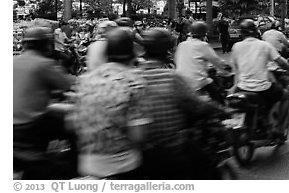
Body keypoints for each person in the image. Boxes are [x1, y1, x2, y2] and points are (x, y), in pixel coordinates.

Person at [137, 28, 225, 179]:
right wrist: (220, 109)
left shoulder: (133, 75)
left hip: (140, 152)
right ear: (167, 50)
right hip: (171, 147)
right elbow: (196, 104)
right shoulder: (171, 78)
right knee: (208, 167)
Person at [70, 28, 149, 179]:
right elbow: (138, 135)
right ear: (133, 54)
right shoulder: (134, 82)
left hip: (88, 164)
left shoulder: (86, 79)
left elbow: (73, 122)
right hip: (124, 164)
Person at [14, 26, 74, 156]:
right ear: (46, 44)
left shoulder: (13, 61)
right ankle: (73, 162)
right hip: (31, 123)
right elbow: (68, 85)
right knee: (75, 122)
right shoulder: (44, 64)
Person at [229, 19, 289, 137]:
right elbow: (282, 62)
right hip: (261, 88)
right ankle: (279, 128)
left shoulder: (236, 47)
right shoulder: (264, 45)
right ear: (256, 31)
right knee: (286, 96)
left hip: (241, 87)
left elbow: (235, 68)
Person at [175, 21, 230, 104]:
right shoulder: (202, 45)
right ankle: (223, 112)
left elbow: (178, 61)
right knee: (217, 96)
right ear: (204, 34)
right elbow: (216, 61)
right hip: (197, 83)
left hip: (181, 83)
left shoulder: (181, 45)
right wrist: (226, 67)